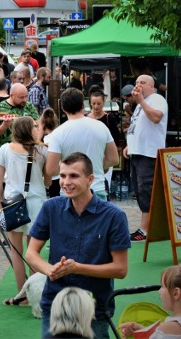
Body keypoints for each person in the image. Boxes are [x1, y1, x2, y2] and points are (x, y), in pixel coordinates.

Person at [26, 152, 130, 339]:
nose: (66, 182)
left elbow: (121, 269)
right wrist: (50, 270)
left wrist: (78, 268)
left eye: (74, 175)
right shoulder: (51, 208)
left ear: (90, 179)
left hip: (95, 307)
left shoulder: (114, 216)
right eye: (63, 175)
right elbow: (31, 253)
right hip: (55, 302)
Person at [0, 117, 50, 297]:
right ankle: (35, 293)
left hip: (13, 203)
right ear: (29, 129)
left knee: (16, 252)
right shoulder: (42, 150)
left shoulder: (5, 149)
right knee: (33, 251)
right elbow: (48, 180)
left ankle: (22, 295)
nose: (37, 128)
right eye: (35, 126)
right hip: (36, 202)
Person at [45, 88, 119, 200]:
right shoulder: (101, 127)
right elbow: (114, 159)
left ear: (63, 109)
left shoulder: (57, 133)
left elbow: (51, 169)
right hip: (96, 188)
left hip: (69, 191)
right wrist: (95, 165)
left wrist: (68, 168)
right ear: (83, 106)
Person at [124, 74, 168, 242]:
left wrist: (141, 100)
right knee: (140, 191)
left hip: (148, 154)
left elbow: (156, 118)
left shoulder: (156, 99)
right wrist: (131, 145)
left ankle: (146, 230)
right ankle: (144, 229)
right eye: (136, 83)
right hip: (138, 152)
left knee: (146, 191)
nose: (138, 85)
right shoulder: (141, 104)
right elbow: (140, 127)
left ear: (152, 87)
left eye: (142, 83)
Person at [120, 264, 181, 339]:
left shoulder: (167, 329)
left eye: (162, 286)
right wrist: (142, 329)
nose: (159, 291)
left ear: (176, 293)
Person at [0, 83, 40, 149]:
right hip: (6, 152)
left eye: (26, 96)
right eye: (21, 97)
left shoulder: (29, 106)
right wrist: (3, 126)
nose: (24, 100)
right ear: (11, 96)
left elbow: (38, 126)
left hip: (27, 150)